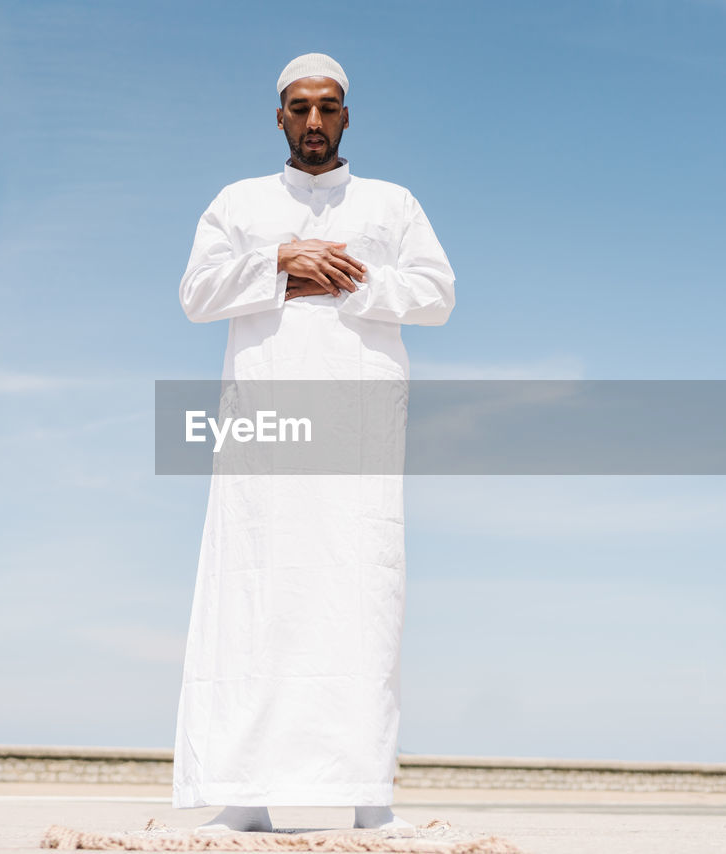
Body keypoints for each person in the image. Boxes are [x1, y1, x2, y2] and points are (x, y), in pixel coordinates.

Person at [173, 52, 455, 834]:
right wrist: (277, 261)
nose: (314, 122)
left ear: (348, 116)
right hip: (262, 425)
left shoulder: (391, 203)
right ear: (278, 116)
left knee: (360, 589)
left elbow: (436, 295)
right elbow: (197, 294)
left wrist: (348, 279)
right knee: (253, 587)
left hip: (358, 421)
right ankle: (243, 796)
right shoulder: (239, 203)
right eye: (300, 107)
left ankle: (370, 797)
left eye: (329, 107)